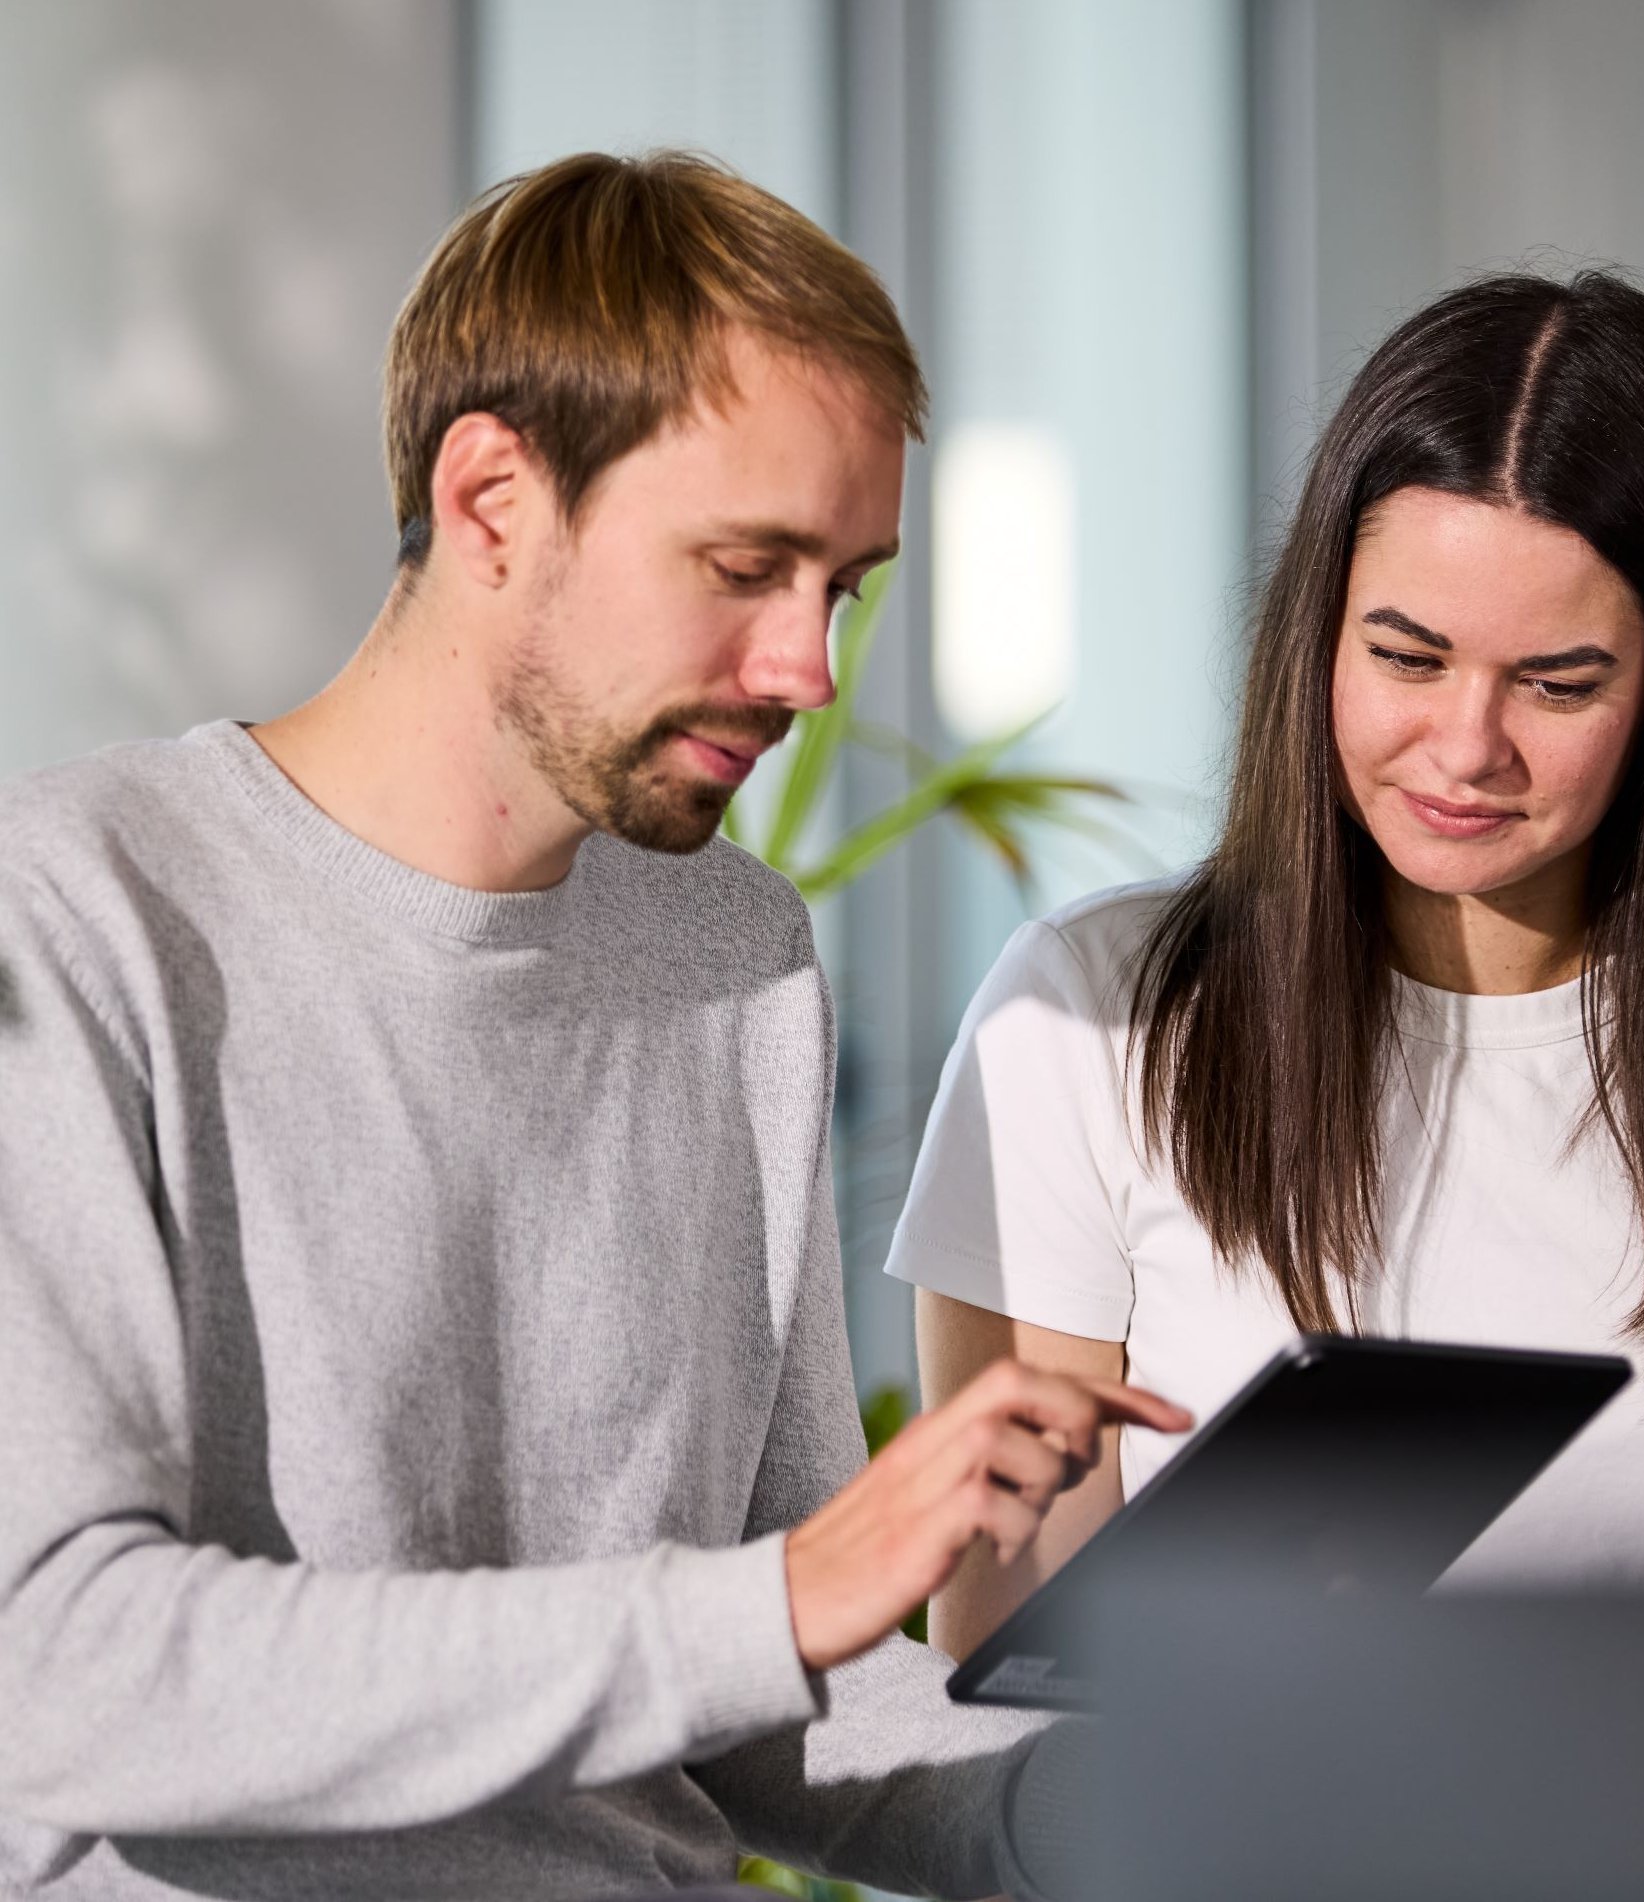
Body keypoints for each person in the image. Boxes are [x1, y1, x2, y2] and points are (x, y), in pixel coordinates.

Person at [0, 151, 1188, 1901]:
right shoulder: (80, 913)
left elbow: (779, 1692)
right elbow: (61, 1673)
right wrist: (766, 1606)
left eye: (842, 583)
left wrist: (1181, 1811)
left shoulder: (735, 954)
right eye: (746, 565)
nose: (809, 669)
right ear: (490, 498)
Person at [891, 270, 1644, 1663]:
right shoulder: (1087, 1019)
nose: (1465, 747)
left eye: (1555, 682)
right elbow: (1001, 1647)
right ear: (1316, 633)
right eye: (1405, 656)